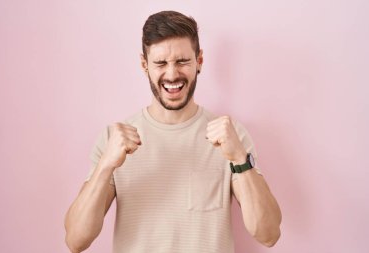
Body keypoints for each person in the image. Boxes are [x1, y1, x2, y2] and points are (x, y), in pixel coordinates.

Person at [64, 10, 282, 253]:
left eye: (182, 61)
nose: (171, 74)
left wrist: (241, 160)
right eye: (160, 63)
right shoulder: (113, 140)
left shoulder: (231, 136)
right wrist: (106, 165)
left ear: (199, 61)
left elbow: (269, 233)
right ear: (144, 65)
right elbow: (75, 240)